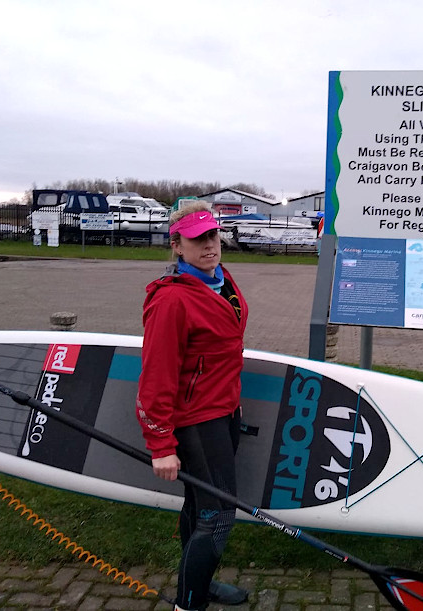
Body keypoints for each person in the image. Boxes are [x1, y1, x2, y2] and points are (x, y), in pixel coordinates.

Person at [136, 200, 249, 610]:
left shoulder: (220, 280)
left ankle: (199, 584)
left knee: (199, 505)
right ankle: (190, 602)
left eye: (213, 235)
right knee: (218, 515)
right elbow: (155, 377)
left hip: (224, 412)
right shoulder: (171, 301)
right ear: (177, 246)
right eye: (197, 239)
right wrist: (161, 443)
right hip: (195, 420)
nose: (209, 245)